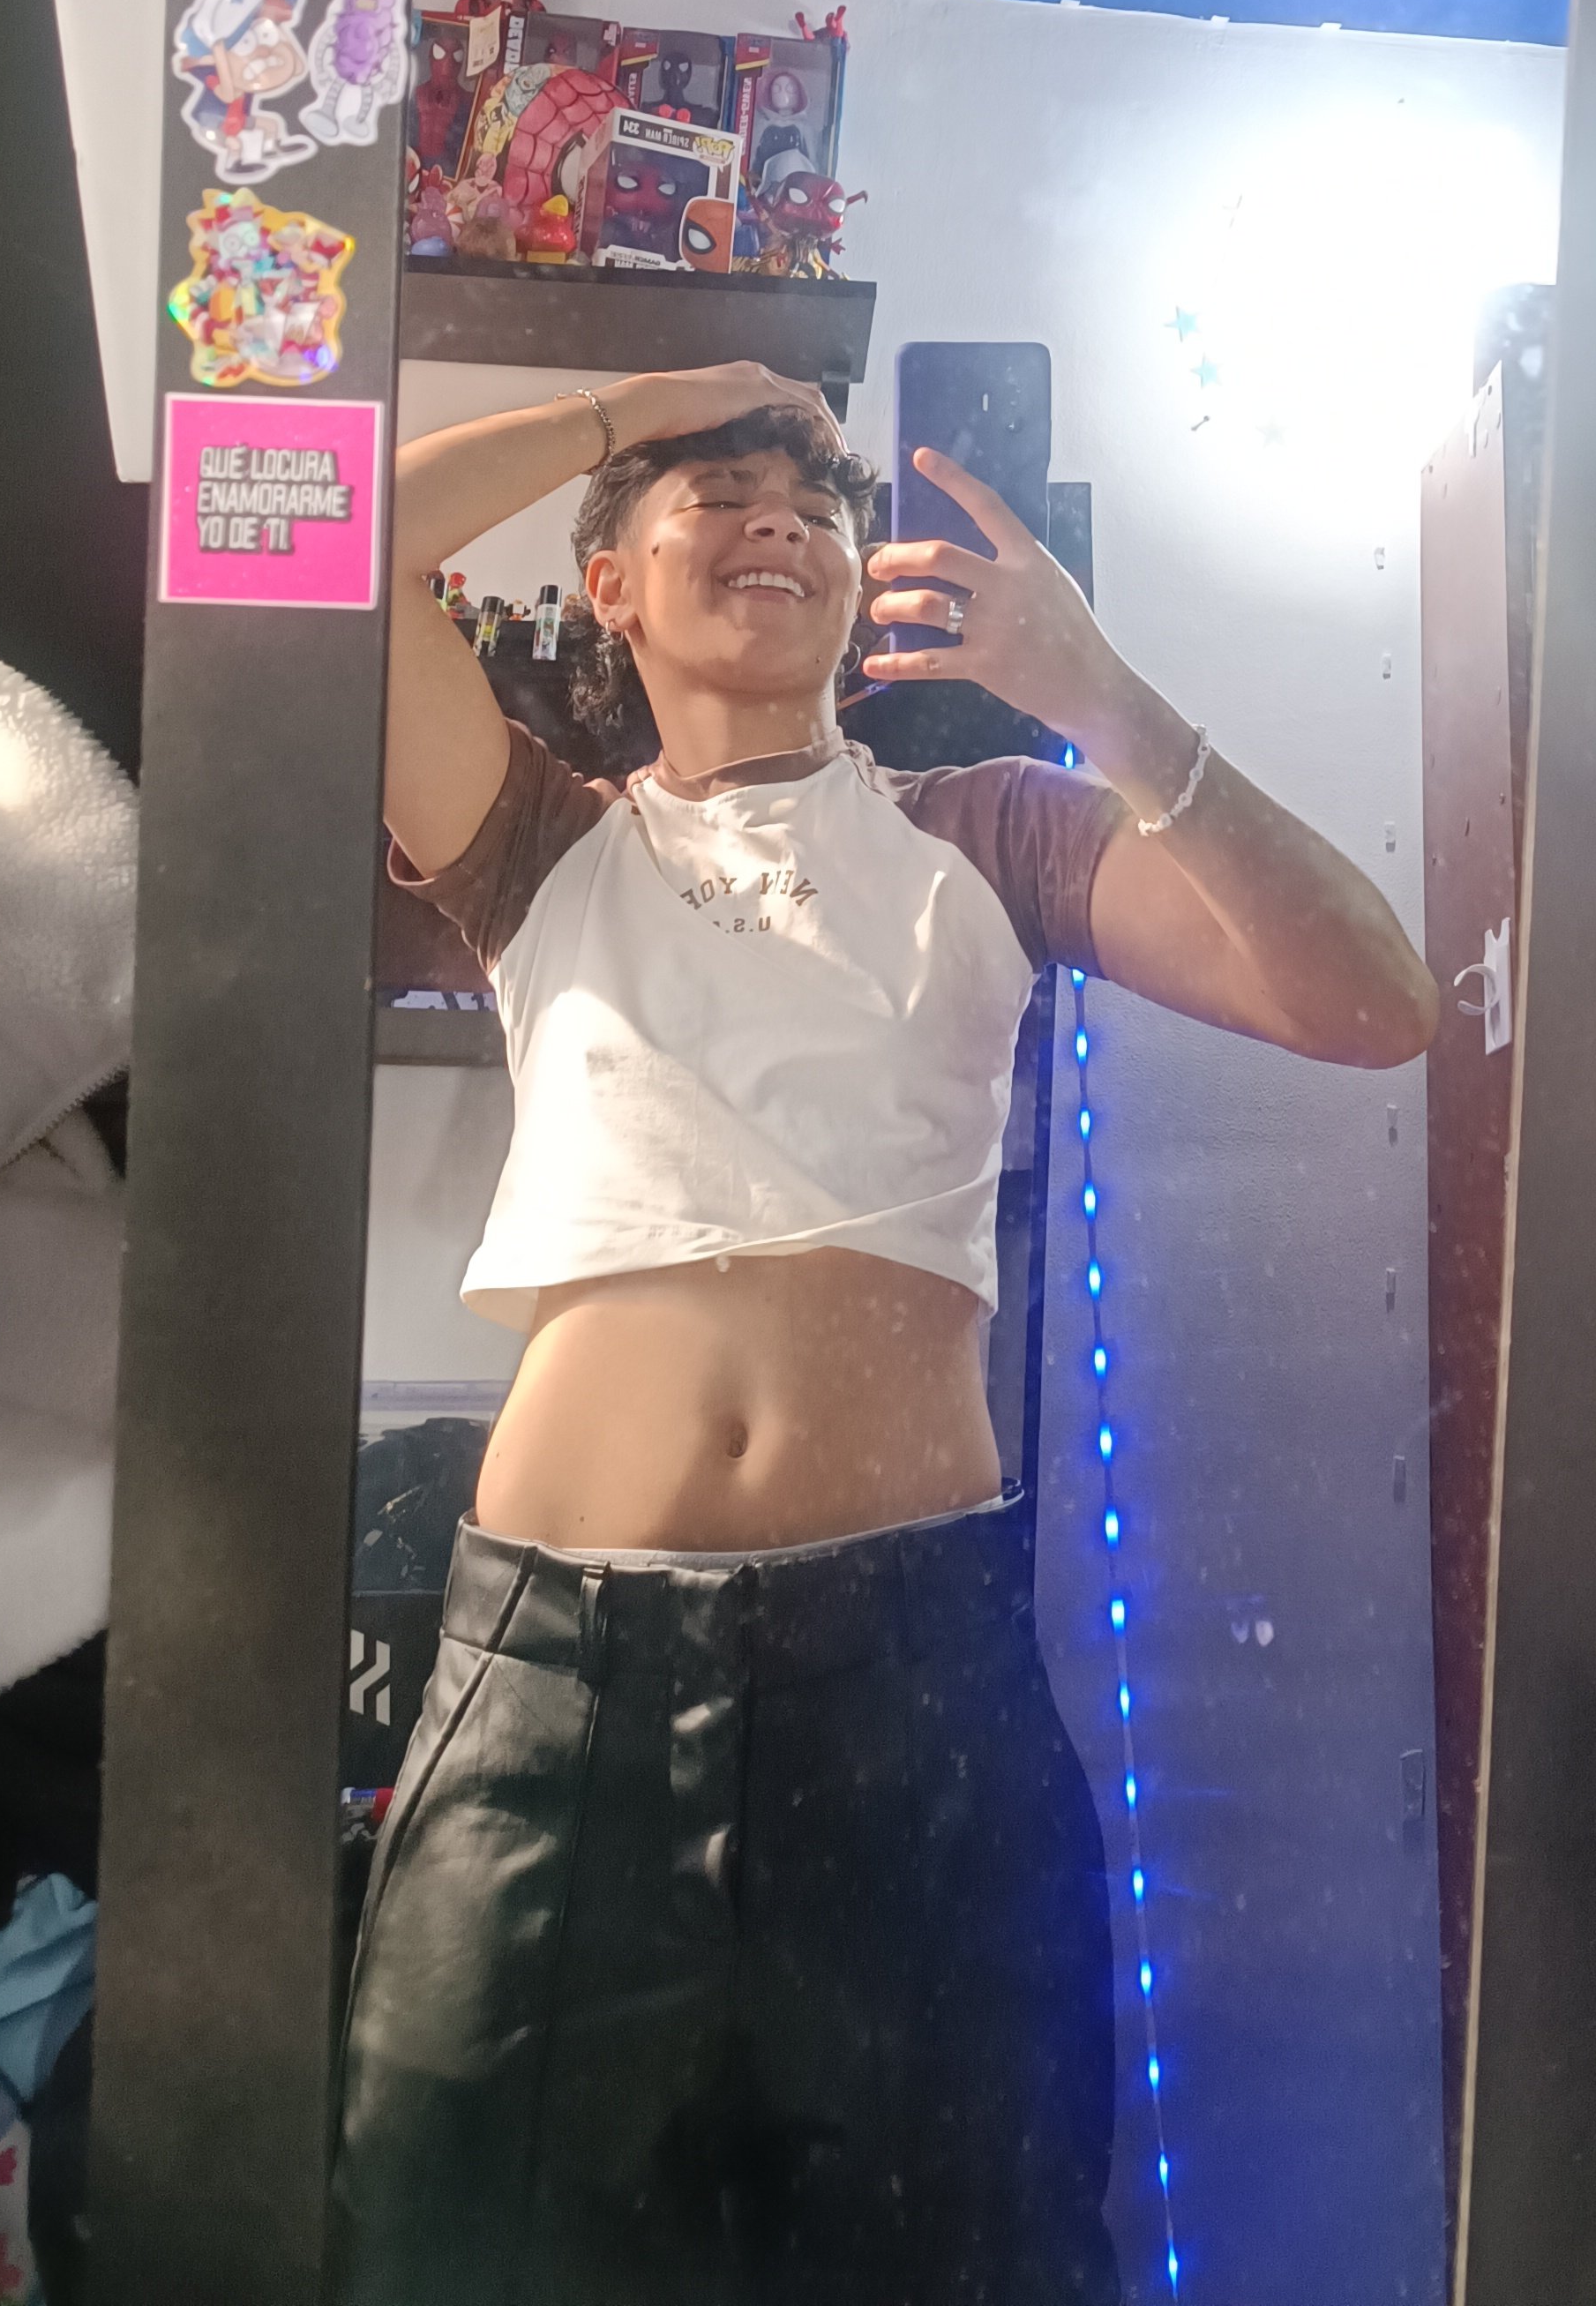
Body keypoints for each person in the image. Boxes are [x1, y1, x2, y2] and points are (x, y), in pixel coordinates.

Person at [331, 361, 1436, 2306]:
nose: (779, 516)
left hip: (908, 1687)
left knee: (968, 2258)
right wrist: (649, 401)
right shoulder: (538, 841)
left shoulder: (988, 829)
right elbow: (334, 538)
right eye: (718, 491)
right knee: (464, 2256)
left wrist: (1103, 696)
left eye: (814, 501)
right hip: (552, 1703)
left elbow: (1374, 1001)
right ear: (607, 583)